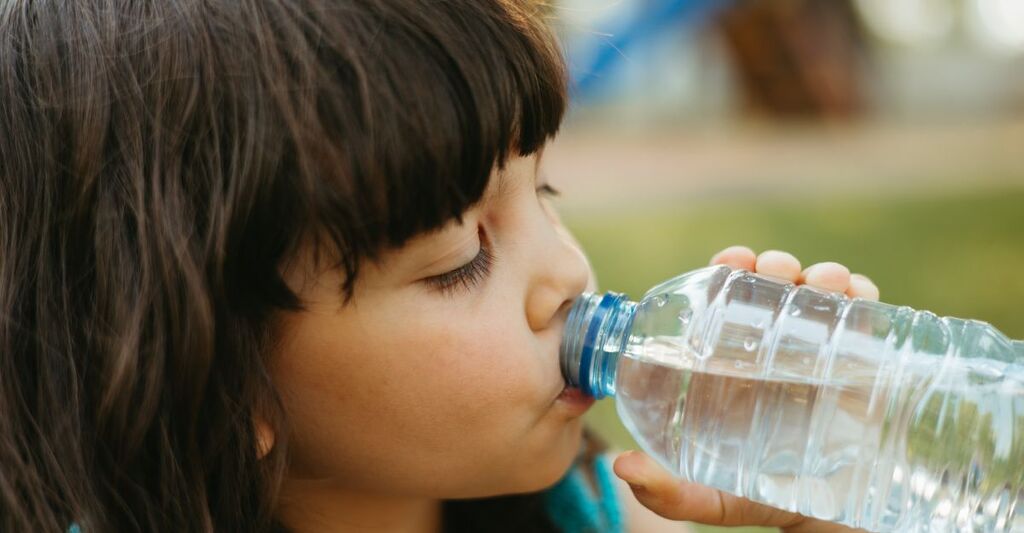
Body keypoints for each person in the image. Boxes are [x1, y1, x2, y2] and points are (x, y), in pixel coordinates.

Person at [0, 1, 880, 531]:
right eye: (460, 257)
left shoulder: (605, 511)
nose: (569, 272)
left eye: (546, 188)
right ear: (222, 385)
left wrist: (830, 502)